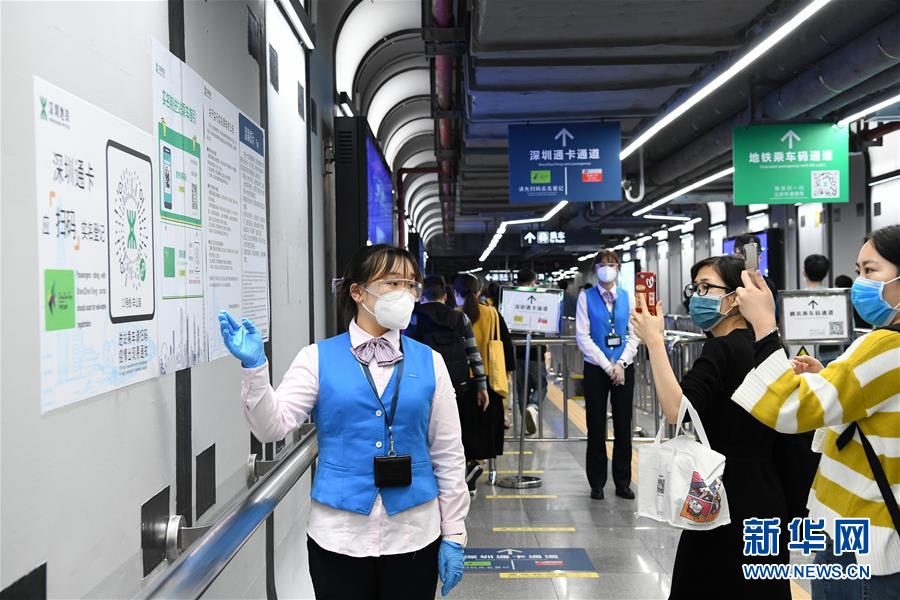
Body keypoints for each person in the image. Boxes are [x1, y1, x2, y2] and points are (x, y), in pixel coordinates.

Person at [218, 244, 468, 599]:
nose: (404, 294)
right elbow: (271, 427)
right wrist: (255, 368)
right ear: (357, 291)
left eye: (411, 285)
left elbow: (448, 452)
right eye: (393, 283)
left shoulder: (431, 362)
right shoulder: (316, 358)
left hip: (414, 534)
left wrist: (454, 532)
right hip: (339, 536)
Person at [731, 224, 900, 599]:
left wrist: (764, 326)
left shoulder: (884, 346)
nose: (860, 282)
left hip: (860, 537)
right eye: (858, 271)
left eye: (871, 271)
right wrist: (830, 381)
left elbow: (788, 408)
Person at [630, 255, 791, 599]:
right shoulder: (770, 348)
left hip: (722, 496)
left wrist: (654, 342)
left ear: (736, 297)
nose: (696, 297)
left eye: (706, 287)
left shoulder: (721, 349)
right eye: (694, 288)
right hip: (769, 491)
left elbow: (677, 411)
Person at [406, 275, 490, 490]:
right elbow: (473, 353)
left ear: (421, 296)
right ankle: (458, 478)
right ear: (445, 296)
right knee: (453, 434)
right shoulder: (460, 318)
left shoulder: (413, 317)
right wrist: (481, 385)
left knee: (424, 434)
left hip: (421, 386)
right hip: (458, 385)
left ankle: (429, 478)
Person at [575, 250, 639, 500]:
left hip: (624, 367)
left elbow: (634, 333)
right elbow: (583, 336)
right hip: (596, 368)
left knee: (623, 425)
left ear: (618, 268)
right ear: (595, 269)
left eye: (611, 264)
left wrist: (621, 363)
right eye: (602, 264)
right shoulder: (586, 297)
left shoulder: (627, 297)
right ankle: (597, 482)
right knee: (595, 425)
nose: (607, 268)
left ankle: (623, 482)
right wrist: (607, 365)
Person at [453, 273, 511, 462]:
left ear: (455, 293)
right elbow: (506, 346)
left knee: (463, 431)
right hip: (489, 380)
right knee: (485, 433)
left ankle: (467, 467)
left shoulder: (453, 316)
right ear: (478, 292)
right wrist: (507, 372)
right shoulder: (492, 314)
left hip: (461, 382)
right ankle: (482, 464)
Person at [513, 268, 547, 435]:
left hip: (516, 350)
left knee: (522, 389)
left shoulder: (511, 297)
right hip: (535, 350)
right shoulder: (540, 297)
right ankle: (533, 407)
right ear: (534, 280)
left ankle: (527, 423)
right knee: (541, 386)